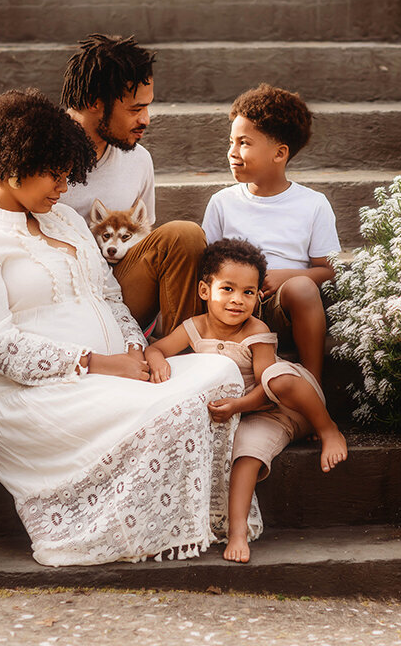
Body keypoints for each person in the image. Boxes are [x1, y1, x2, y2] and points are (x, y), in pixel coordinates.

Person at [0, 34, 206, 569]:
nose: (146, 118)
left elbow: (124, 263)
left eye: (148, 105)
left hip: (104, 283)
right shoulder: (26, 146)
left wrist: (136, 344)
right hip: (28, 303)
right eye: (136, 107)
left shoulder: (127, 168)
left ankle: (174, 356)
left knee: (183, 236)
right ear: (93, 105)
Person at [144, 239, 347, 564]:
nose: (238, 300)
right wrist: (156, 360)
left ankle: (328, 428)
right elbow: (156, 348)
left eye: (248, 292)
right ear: (204, 291)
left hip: (287, 404)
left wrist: (237, 406)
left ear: (258, 296)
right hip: (251, 417)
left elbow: (267, 389)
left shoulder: (256, 329)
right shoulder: (193, 328)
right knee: (242, 457)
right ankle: (235, 530)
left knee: (274, 383)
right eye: (228, 289)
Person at [201, 84, 338, 382]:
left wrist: (285, 277)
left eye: (244, 143)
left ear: (280, 153)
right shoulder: (223, 203)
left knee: (302, 288)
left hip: (281, 307)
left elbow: (328, 271)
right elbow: (206, 266)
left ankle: (313, 385)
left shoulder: (313, 204)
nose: (232, 152)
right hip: (233, 305)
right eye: (231, 142)